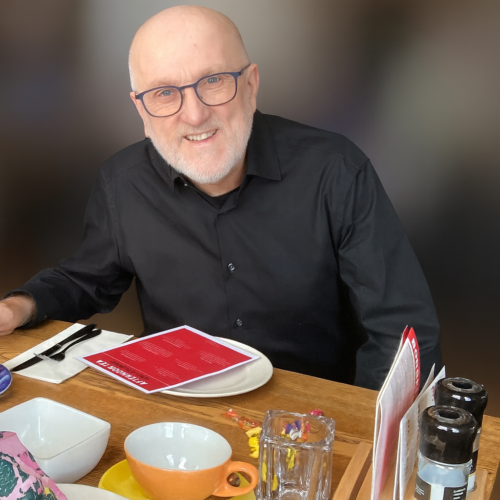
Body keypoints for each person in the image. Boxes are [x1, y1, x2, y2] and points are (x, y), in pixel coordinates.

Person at [0, 6, 441, 390]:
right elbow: (85, 279)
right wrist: (20, 306)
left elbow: (402, 329)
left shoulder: (337, 171)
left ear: (250, 84)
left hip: (312, 421)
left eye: (212, 81)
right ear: (142, 110)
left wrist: (366, 432)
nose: (194, 115)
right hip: (178, 412)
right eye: (165, 93)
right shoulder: (122, 183)